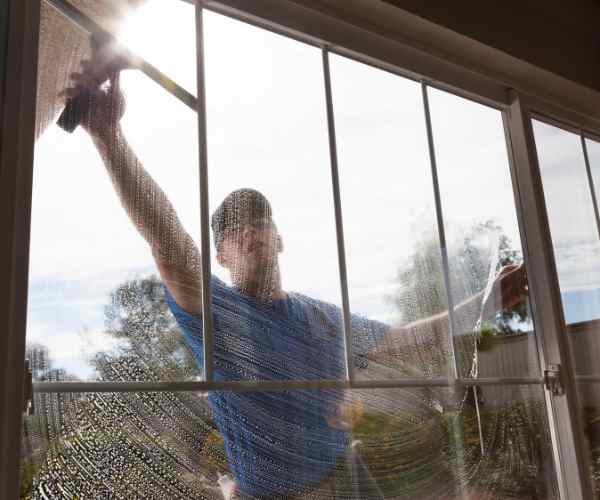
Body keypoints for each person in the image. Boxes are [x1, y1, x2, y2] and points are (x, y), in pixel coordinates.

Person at [61, 50, 528, 499]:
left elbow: (407, 340)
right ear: (220, 255)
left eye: (258, 219)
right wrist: (108, 136)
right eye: (231, 229)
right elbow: (170, 244)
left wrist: (484, 303)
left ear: (279, 238)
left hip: (347, 482)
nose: (248, 232)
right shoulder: (216, 312)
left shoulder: (321, 318)